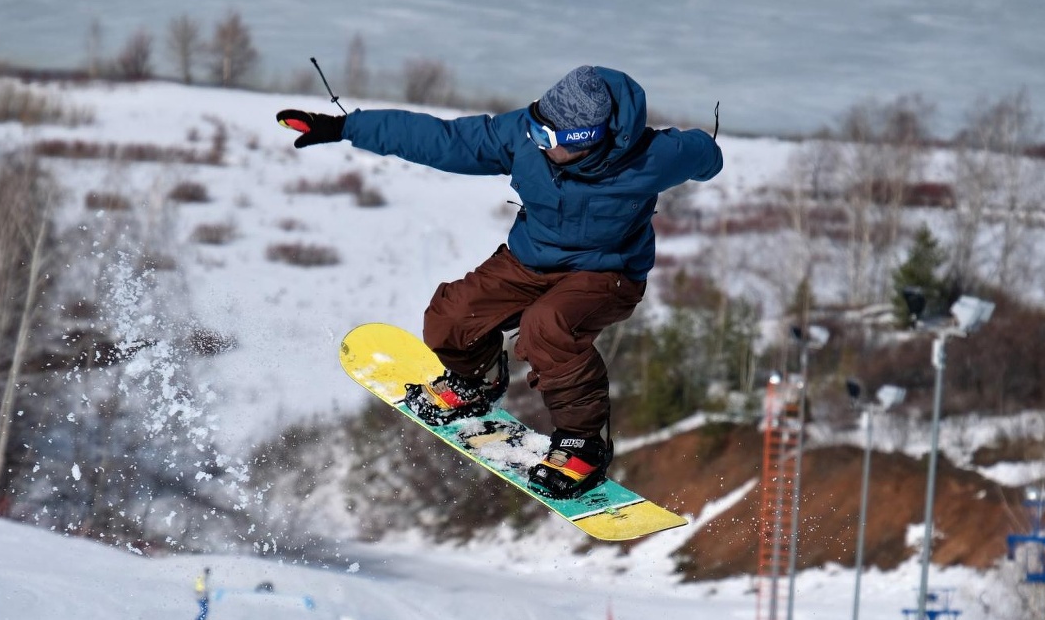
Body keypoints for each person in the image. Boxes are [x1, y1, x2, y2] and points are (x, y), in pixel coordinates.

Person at [278, 65, 723, 498]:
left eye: (552, 138)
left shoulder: (652, 157)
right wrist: (344, 127)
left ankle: (583, 444)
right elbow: (441, 139)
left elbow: (704, 154)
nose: (540, 143)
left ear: (591, 140)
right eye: (538, 129)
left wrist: (708, 158)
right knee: (451, 316)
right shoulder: (524, 136)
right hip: (530, 260)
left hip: (608, 272)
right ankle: (478, 379)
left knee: (546, 329)